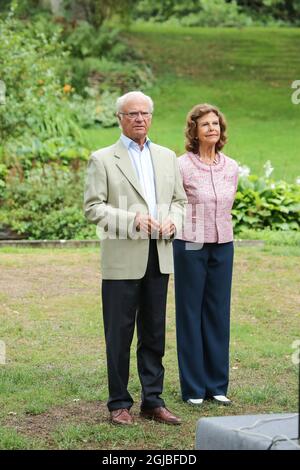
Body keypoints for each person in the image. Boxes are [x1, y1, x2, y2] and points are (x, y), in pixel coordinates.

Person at [84, 91, 187, 425]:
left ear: (151, 117)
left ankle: (153, 401)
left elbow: (180, 201)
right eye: (132, 114)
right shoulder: (102, 159)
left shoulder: (167, 156)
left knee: (154, 332)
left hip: (160, 256)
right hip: (121, 261)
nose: (140, 119)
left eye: (145, 113)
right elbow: (93, 207)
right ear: (119, 118)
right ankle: (118, 403)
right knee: (119, 334)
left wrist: (174, 220)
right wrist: (132, 220)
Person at [173, 103, 239, 406]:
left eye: (216, 124)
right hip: (191, 243)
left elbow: (228, 205)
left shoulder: (232, 167)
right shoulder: (182, 165)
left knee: (217, 312)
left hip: (223, 243)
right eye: (205, 125)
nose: (212, 128)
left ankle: (216, 385)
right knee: (190, 312)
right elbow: (174, 203)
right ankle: (193, 388)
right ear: (195, 132)